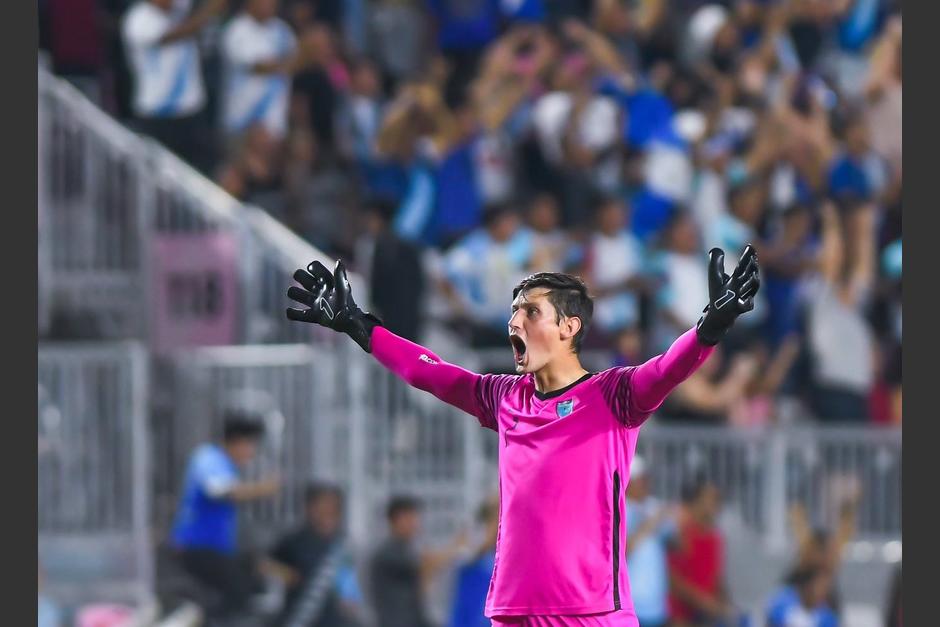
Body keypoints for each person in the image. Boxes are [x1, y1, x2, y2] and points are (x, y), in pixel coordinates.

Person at [286, 239, 761, 627]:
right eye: (513, 312)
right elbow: (428, 372)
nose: (514, 321)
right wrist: (358, 326)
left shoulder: (613, 395)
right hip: (513, 612)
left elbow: (666, 370)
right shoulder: (504, 397)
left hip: (591, 613)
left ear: (569, 326)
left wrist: (709, 327)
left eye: (530, 312)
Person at [170, 412, 281, 620]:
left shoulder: (225, 464)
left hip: (215, 551)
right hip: (197, 549)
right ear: (238, 441)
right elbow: (218, 491)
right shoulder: (209, 458)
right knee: (237, 595)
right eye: (251, 445)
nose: (251, 453)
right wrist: (262, 488)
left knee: (248, 588)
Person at [121, 0, 226, 172]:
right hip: (156, 114)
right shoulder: (138, 19)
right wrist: (209, 13)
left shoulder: (178, 7)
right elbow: (174, 35)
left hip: (190, 110)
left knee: (198, 173)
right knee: (157, 175)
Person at [268, 483, 366, 627]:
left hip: (335, 619)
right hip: (300, 615)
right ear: (309, 507)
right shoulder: (293, 540)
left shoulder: (343, 542)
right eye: (322, 504)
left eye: (333, 505)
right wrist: (288, 575)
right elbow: (265, 565)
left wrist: (350, 599)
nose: (327, 509)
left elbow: (347, 577)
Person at [220, 0, 308, 147]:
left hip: (274, 126)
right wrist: (298, 58)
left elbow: (297, 64)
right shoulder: (236, 29)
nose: (269, 4)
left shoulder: (284, 31)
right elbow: (257, 67)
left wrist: (299, 59)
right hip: (241, 122)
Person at [667, 477, 734, 627]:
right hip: (682, 615)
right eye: (710, 499)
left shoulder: (715, 537)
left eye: (717, 499)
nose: (715, 504)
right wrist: (703, 602)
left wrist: (725, 603)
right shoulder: (682, 533)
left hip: (707, 615)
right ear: (696, 502)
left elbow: (716, 577)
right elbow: (673, 580)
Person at [624, 456, 676, 627]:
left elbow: (676, 543)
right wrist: (650, 524)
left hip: (657, 607)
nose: (645, 484)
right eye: (640, 480)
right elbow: (623, 550)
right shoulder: (620, 508)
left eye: (645, 479)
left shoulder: (654, 505)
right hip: (631, 607)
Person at [765, 567, 838, 627]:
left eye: (825, 588)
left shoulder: (827, 618)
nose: (823, 593)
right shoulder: (783, 603)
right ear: (808, 586)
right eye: (819, 587)